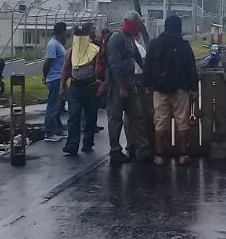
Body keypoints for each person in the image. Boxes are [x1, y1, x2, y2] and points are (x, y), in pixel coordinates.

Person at [144, 14, 199, 166]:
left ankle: (160, 155)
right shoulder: (184, 45)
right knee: (182, 121)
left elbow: (148, 66)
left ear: (166, 26)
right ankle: (183, 154)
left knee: (160, 122)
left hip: (160, 90)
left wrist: (148, 85)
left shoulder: (155, 44)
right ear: (179, 27)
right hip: (180, 89)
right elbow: (191, 68)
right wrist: (193, 88)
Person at [106, 12, 153, 164]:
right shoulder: (116, 38)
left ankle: (142, 149)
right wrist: (121, 88)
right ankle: (115, 151)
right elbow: (114, 65)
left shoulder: (129, 38)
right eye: (137, 24)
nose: (138, 27)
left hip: (130, 82)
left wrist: (146, 71)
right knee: (115, 118)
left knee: (137, 116)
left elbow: (136, 56)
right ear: (131, 23)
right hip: (117, 85)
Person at [60, 23, 100, 156]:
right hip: (75, 87)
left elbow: (98, 70)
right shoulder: (70, 52)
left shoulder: (95, 50)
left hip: (90, 87)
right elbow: (66, 70)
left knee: (91, 116)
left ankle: (88, 142)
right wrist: (62, 87)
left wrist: (100, 85)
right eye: (78, 36)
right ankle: (72, 144)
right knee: (73, 116)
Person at [42, 22, 68, 142]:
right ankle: (49, 131)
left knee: (57, 106)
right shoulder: (53, 44)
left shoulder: (58, 44)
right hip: (54, 78)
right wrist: (45, 76)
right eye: (65, 32)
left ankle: (57, 129)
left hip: (59, 77)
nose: (66, 34)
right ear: (61, 32)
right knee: (53, 106)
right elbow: (47, 62)